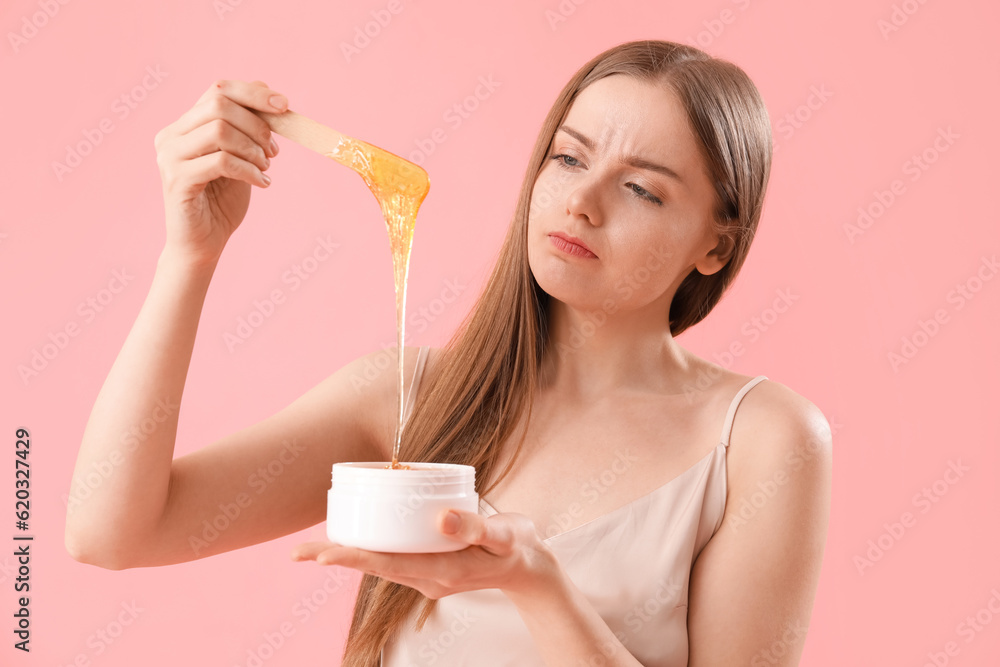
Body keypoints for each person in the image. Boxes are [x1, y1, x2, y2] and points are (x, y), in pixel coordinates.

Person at [65, 39, 832, 667]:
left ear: (715, 243)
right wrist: (188, 256)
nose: (581, 201)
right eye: (568, 158)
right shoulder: (410, 396)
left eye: (642, 189)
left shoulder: (761, 440)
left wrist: (541, 590)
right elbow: (110, 530)